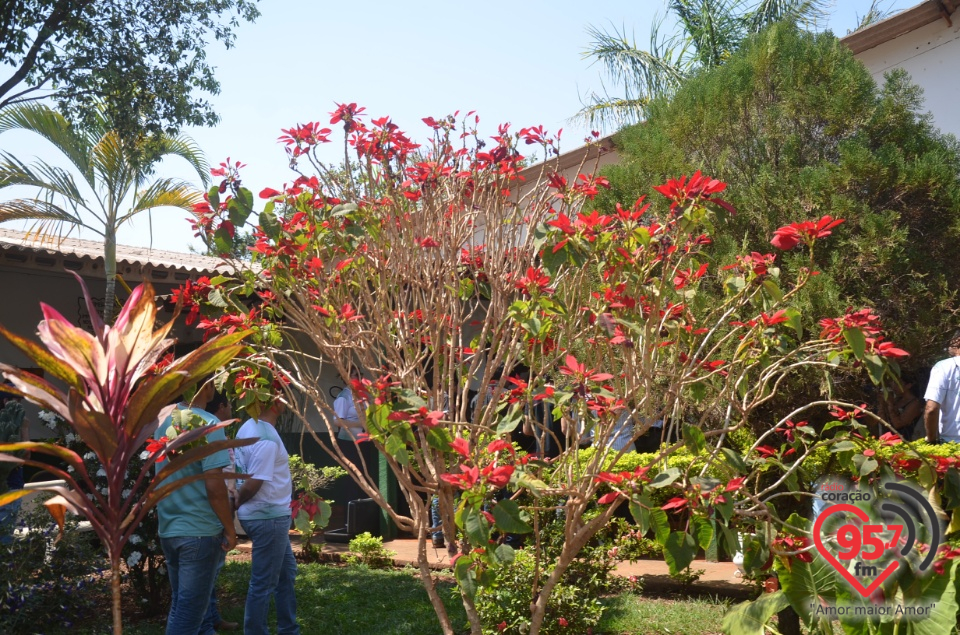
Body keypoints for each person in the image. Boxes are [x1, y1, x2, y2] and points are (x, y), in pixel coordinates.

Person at [155, 380, 237, 635]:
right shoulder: (209, 423)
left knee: (184, 608)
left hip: (169, 528)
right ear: (208, 387)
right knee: (189, 616)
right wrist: (230, 529)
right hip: (199, 531)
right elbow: (215, 488)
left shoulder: (164, 420)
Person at [234, 401, 299, 635]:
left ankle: (289, 629)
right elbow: (253, 482)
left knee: (286, 574)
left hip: (268, 515)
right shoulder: (265, 437)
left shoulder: (249, 426)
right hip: (268, 517)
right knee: (264, 583)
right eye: (280, 394)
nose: (284, 400)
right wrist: (236, 503)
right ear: (270, 401)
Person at [199, 391, 239, 634]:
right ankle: (205, 624)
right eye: (230, 403)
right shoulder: (212, 428)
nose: (232, 408)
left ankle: (213, 617)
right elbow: (216, 482)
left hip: (224, 505)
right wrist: (228, 525)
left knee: (213, 572)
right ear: (222, 406)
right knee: (208, 574)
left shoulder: (213, 429)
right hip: (216, 509)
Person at [0, 381, 30, 540]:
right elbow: (22, 460)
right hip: (9, 488)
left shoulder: (19, 424)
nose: (19, 406)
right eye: (16, 400)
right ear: (5, 401)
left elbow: (25, 458)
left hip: (13, 486)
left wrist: (24, 428)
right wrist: (24, 430)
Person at [924, 331, 960, 444]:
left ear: (957, 341)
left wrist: (931, 440)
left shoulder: (943, 367)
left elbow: (931, 409)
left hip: (953, 445)